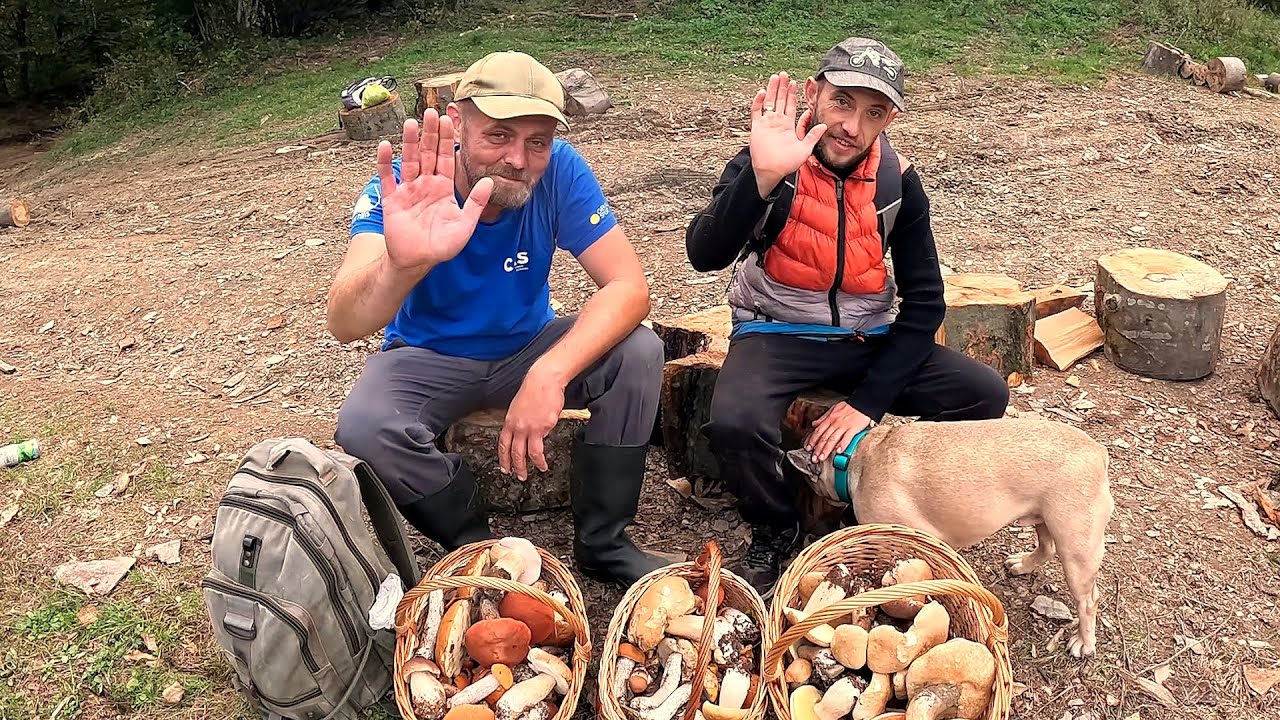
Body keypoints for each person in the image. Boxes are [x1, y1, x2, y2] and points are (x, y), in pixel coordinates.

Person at [684, 38, 1010, 598]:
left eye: (874, 112)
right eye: (842, 103)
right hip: (776, 331)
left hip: (867, 336)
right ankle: (775, 527)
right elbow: (703, 254)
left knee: (984, 394)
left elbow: (926, 301)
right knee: (736, 422)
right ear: (814, 94)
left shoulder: (897, 181)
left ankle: (901, 494)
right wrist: (759, 179)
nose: (853, 127)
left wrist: (865, 405)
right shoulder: (767, 161)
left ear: (891, 118)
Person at [328, 51, 667, 586]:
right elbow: (345, 321)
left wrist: (548, 373)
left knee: (639, 351)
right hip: (427, 354)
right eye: (499, 136)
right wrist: (403, 263)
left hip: (526, 344)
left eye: (538, 141)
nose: (518, 158)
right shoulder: (406, 183)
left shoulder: (561, 171)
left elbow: (628, 286)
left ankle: (605, 542)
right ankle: (478, 546)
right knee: (367, 426)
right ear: (458, 123)